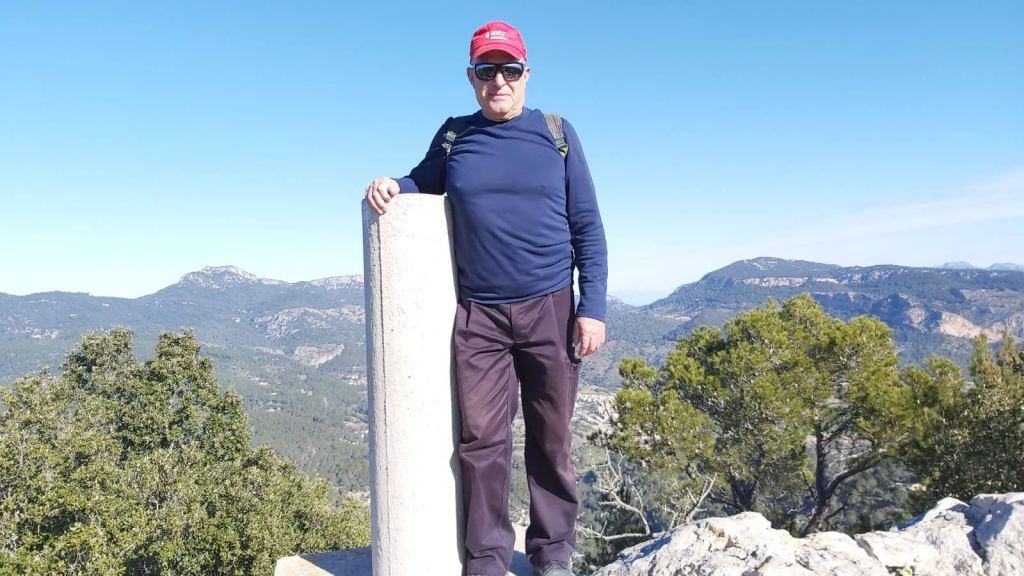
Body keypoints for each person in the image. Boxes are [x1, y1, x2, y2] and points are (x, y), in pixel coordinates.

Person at [364, 20, 607, 576]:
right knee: (481, 443)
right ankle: (487, 559)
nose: (499, 80)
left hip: (551, 306)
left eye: (509, 69)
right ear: (471, 77)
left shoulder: (556, 133)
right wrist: (392, 185)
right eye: (486, 70)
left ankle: (553, 554)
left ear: (527, 74)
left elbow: (587, 226)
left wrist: (591, 307)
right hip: (479, 314)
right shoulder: (455, 136)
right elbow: (422, 179)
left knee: (552, 437)